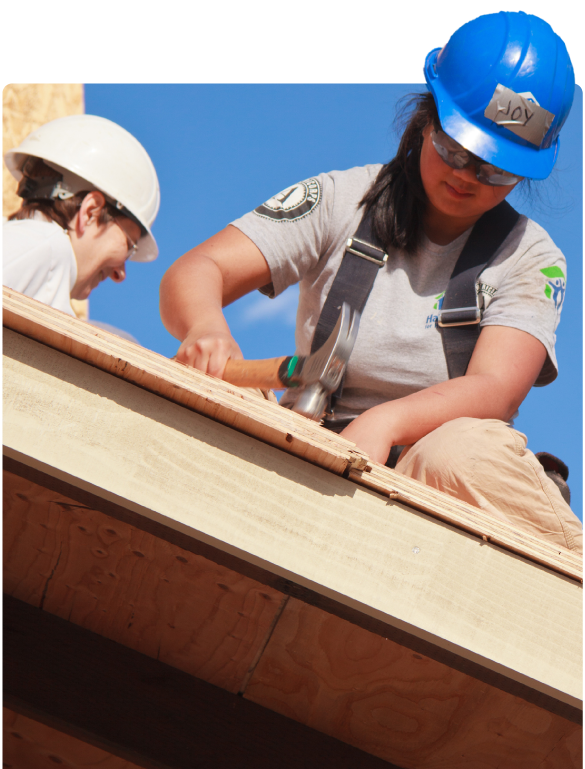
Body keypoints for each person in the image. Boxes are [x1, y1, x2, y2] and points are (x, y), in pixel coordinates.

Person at [159, 12, 582, 554]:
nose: (463, 176)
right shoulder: (342, 199)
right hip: (313, 440)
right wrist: (204, 327)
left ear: (523, 171)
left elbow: (495, 392)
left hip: (443, 479)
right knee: (214, 404)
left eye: (493, 169)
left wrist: (387, 422)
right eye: (454, 147)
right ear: (426, 119)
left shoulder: (533, 258)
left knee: (456, 453)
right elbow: (197, 270)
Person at [3, 114, 160, 317]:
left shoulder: (36, 253)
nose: (120, 274)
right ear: (90, 212)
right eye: (130, 246)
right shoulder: (44, 247)